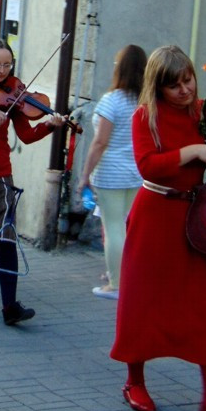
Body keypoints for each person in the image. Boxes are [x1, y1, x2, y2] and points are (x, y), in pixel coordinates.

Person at [110, 45, 206, 411]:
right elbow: (148, 166)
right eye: (174, 86)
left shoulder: (203, 111)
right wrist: (194, 151)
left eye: (188, 80)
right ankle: (135, 383)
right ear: (158, 88)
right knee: (143, 302)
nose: (185, 90)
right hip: (155, 217)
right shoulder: (147, 116)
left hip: (199, 218)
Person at [0, 39, 64, 325]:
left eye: (7, 64)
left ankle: (10, 306)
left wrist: (48, 125)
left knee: (5, 238)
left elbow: (27, 136)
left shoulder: (15, 94)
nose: (1, 70)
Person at [79, 44, 147, 299]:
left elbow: (99, 142)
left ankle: (116, 284)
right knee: (129, 228)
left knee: (114, 228)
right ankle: (126, 276)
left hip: (111, 174)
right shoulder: (146, 102)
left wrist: (85, 175)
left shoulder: (112, 101)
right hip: (137, 172)